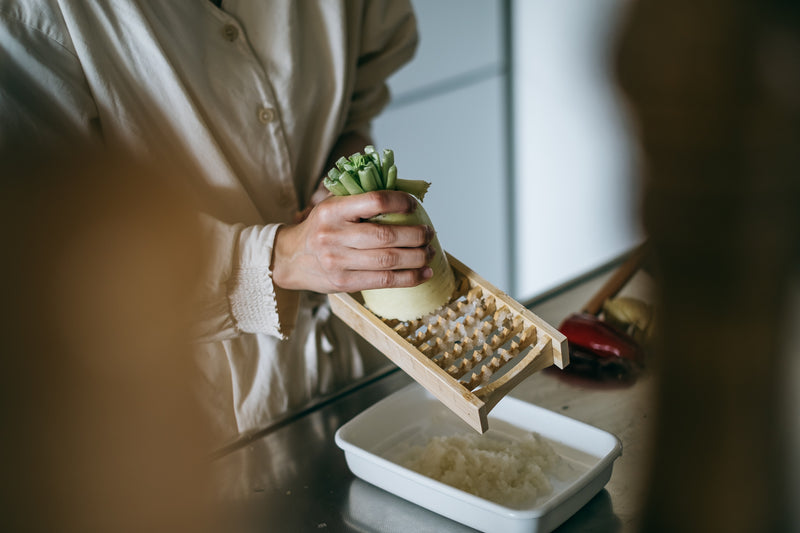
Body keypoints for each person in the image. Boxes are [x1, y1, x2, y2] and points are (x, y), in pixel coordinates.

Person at [0, 1, 426, 442]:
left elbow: (360, 92)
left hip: (350, 366)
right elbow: (50, 257)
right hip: (186, 423)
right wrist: (279, 259)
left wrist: (337, 182)